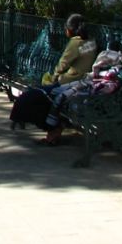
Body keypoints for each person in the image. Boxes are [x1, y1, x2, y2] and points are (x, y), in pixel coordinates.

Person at [36, 13, 98, 145]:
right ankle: (55, 130)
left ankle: (52, 131)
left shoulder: (76, 43)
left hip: (71, 81)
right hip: (84, 80)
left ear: (70, 29)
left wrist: (53, 77)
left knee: (41, 94)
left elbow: (63, 63)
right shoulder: (91, 41)